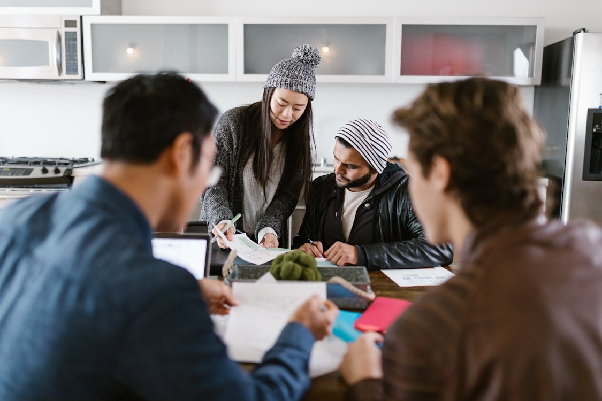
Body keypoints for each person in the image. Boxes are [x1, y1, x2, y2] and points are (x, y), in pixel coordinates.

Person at [0, 73, 338, 401]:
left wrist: (186, 294)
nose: (206, 183)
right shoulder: (158, 290)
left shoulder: (15, 219)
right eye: (209, 166)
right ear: (181, 154)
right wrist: (299, 333)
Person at [339, 78, 602, 399]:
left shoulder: (429, 330)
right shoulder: (593, 246)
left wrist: (365, 380)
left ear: (439, 172)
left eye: (412, 170)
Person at [201, 44, 320, 249]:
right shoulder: (234, 123)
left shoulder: (299, 143)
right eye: (281, 103)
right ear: (268, 94)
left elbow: (287, 196)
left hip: (266, 244)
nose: (287, 115)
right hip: (223, 237)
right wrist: (221, 218)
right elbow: (213, 179)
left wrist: (269, 229)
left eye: (298, 108)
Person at [294, 119, 453, 269]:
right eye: (336, 158)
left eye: (350, 166)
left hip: (386, 290)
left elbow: (440, 249)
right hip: (327, 286)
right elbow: (303, 239)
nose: (338, 170)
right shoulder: (321, 187)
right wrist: (306, 248)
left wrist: (362, 255)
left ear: (376, 168)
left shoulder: (406, 191)